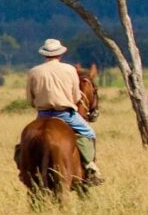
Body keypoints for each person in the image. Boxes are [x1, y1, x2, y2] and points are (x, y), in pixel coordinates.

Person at [23, 38, 103, 184]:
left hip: (42, 115)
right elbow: (76, 96)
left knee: (23, 141)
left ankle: (23, 171)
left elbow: (30, 99)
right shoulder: (69, 69)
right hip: (65, 114)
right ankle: (90, 169)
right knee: (89, 134)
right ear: (60, 54)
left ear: (44, 54)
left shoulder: (33, 71)